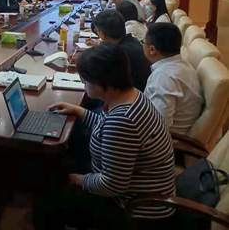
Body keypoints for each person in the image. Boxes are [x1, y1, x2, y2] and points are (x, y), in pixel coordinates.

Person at [35, 44, 175, 229]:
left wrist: (77, 179)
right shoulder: (132, 96)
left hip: (134, 207)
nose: (83, 85)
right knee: (62, 164)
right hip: (134, 187)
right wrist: (78, 110)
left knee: (45, 203)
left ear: (104, 84)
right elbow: (105, 126)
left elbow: (112, 185)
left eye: (85, 81)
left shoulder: (123, 121)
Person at [143, 23, 203, 134]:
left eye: (143, 42)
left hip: (170, 140)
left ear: (152, 49)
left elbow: (158, 127)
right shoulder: (183, 65)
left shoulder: (164, 77)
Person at [92, 10, 151, 91]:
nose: (97, 33)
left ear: (103, 34)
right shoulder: (132, 41)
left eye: (97, 31)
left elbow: (100, 81)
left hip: (131, 94)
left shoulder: (118, 53)